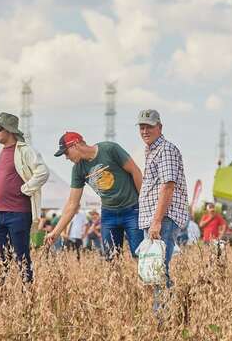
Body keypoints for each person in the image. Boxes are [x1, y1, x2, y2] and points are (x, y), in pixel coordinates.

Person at [45, 132, 143, 260]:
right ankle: (116, 281)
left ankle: (145, 280)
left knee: (140, 255)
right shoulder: (78, 170)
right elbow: (72, 204)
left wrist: (143, 204)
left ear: (75, 144)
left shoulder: (109, 149)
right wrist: (56, 232)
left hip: (132, 210)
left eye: (66, 153)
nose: (66, 158)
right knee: (111, 259)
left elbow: (135, 171)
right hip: (109, 214)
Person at [0, 112, 49, 284]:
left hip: (18, 213)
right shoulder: (2, 152)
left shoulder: (25, 150)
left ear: (9, 130)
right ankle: (4, 293)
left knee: (21, 256)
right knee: (1, 258)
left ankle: (26, 292)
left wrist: (26, 189)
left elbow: (43, 172)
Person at [137, 109, 189, 314]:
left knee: (158, 270)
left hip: (162, 218)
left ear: (160, 127)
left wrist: (157, 220)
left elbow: (168, 185)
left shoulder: (165, 150)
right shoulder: (152, 151)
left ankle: (164, 317)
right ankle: (164, 313)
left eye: (149, 126)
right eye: (142, 126)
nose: (145, 130)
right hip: (154, 218)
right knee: (152, 270)